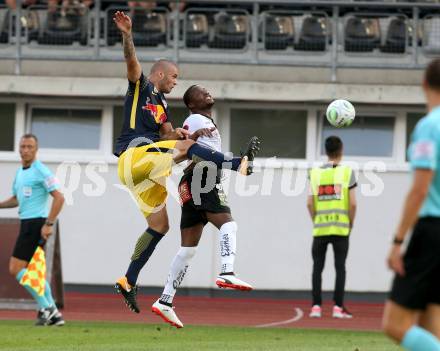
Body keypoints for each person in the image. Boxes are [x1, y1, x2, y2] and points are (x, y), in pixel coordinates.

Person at [112, 11, 259, 314]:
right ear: (161, 74)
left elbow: (169, 134)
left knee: (160, 225)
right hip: (133, 155)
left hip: (143, 172)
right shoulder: (142, 86)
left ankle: (128, 279)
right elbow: (131, 63)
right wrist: (127, 34)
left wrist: (178, 133)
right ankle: (237, 163)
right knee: (189, 147)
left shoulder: (162, 106)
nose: (176, 83)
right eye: (175, 77)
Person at [151, 85, 259, 328]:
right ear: (191, 103)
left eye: (207, 90)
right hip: (203, 178)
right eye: (201, 92)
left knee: (188, 249)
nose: (207, 92)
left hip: (189, 182)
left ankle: (165, 300)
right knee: (228, 224)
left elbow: (187, 152)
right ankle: (227, 272)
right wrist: (236, 164)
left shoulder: (201, 120)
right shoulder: (196, 118)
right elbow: (194, 152)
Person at [382, 59, 440, 351]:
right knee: (431, 321)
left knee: (394, 325)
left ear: (423, 83)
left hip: (432, 231)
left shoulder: (430, 127)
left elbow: (420, 190)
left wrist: (397, 242)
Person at [0, 134, 65, 326]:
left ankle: (48, 308)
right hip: (27, 224)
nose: (25, 150)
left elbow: (59, 197)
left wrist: (49, 224)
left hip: (35, 224)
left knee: (15, 268)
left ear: (36, 149)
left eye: (29, 146)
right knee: (33, 271)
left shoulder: (41, 170)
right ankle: (53, 314)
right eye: (23, 146)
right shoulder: (20, 172)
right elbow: (16, 199)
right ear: (19, 149)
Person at [307, 136, 357, 319]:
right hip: (341, 229)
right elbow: (353, 204)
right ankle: (338, 307)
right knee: (340, 268)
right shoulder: (347, 172)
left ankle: (316, 307)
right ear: (341, 149)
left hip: (320, 228)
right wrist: (350, 223)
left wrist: (316, 220)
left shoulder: (315, 173)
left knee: (317, 268)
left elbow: (309, 203)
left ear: (326, 151)